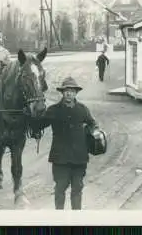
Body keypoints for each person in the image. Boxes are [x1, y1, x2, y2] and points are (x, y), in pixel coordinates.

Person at [32, 76, 99, 210]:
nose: (69, 93)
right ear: (62, 93)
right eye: (66, 91)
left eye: (72, 91)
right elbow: (38, 125)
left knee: (77, 189)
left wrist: (93, 133)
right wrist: (34, 114)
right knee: (60, 189)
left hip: (79, 158)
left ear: (76, 93)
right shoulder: (53, 110)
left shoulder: (82, 109)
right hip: (60, 159)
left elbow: (93, 124)